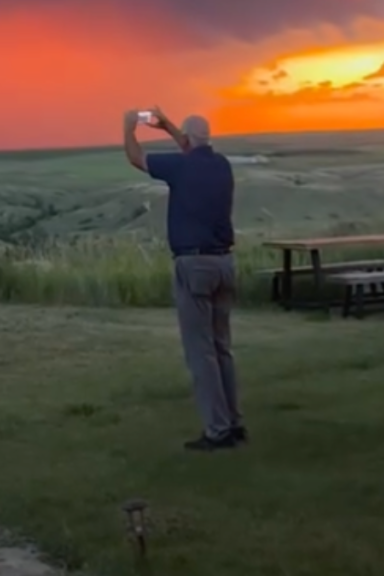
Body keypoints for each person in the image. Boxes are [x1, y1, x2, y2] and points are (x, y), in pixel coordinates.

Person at [123, 107, 244, 450]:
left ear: (187, 141)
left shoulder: (180, 166)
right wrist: (170, 128)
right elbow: (193, 149)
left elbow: (136, 158)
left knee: (201, 352)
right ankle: (234, 423)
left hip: (194, 266)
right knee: (222, 349)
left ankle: (217, 430)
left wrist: (129, 127)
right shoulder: (221, 166)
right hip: (225, 264)